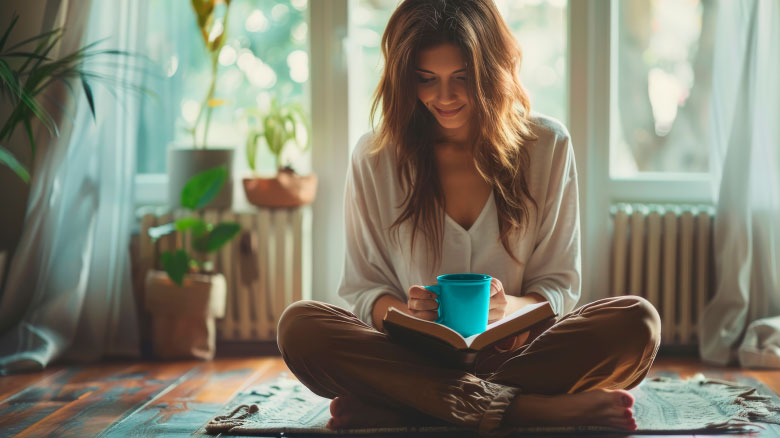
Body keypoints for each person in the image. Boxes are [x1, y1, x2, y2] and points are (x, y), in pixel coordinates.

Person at [277, 0, 661, 434]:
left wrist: (508, 309)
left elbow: (557, 286)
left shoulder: (547, 145)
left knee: (637, 321)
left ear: (493, 70)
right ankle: (529, 412)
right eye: (426, 79)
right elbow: (366, 290)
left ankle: (410, 406)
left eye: (463, 77)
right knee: (301, 327)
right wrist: (407, 312)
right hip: (411, 357)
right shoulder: (375, 156)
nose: (444, 97)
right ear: (405, 80)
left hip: (520, 356)